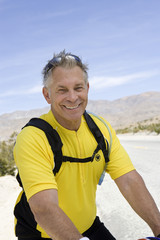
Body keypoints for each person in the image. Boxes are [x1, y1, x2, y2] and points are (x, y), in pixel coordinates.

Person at [13, 50, 160, 240]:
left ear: (87, 88)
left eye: (78, 88)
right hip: (41, 233)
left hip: (88, 226)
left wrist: (158, 227)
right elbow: (44, 207)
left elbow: (129, 181)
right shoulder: (33, 137)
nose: (73, 97)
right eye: (62, 90)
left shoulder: (101, 129)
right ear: (47, 95)